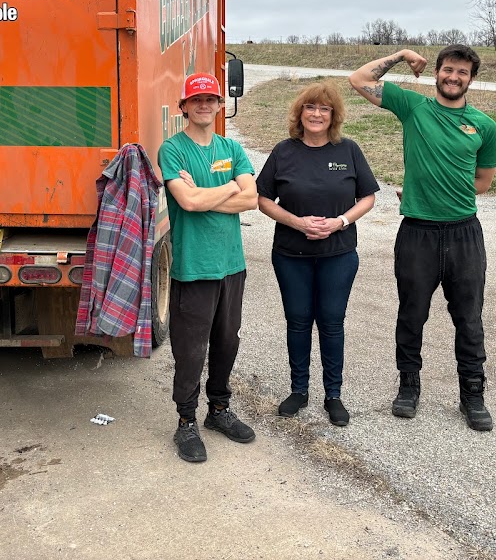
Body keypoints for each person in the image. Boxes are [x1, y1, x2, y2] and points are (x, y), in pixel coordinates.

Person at [349, 45, 496, 431]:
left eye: (462, 73)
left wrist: (442, 188)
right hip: (417, 232)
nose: (454, 77)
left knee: (469, 319)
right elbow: (359, 80)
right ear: (436, 72)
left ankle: (472, 396)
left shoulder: (484, 125)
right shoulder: (414, 107)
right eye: (448, 70)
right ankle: (408, 387)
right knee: (412, 314)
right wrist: (400, 55)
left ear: (472, 79)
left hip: (464, 233)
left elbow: (482, 182)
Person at [256, 81, 378, 427]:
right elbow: (262, 199)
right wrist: (296, 222)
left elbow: (368, 197)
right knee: (297, 321)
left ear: (333, 115)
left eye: (324, 109)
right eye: (311, 107)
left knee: (331, 322)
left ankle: (333, 394)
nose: (317, 114)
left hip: (338, 253)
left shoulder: (348, 151)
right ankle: (299, 390)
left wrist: (340, 222)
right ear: (300, 113)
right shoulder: (284, 152)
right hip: (290, 254)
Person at [157, 72, 258, 463]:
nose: (204, 105)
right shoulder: (173, 150)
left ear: (219, 105)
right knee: (190, 350)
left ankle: (218, 410)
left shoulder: (232, 147)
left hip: (231, 264)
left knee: (227, 342)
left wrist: (209, 193)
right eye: (196, 99)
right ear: (184, 106)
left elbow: (251, 199)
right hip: (193, 266)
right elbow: (189, 204)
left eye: (211, 99)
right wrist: (229, 187)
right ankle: (186, 421)